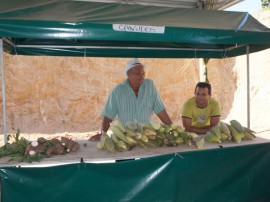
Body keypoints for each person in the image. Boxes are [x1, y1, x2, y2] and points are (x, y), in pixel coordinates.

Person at [101, 58, 172, 134]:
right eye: (138, 73)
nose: (141, 76)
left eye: (143, 73)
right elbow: (108, 116)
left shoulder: (150, 86)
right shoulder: (118, 91)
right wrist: (103, 133)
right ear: (129, 74)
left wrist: (172, 128)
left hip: (146, 136)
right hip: (126, 136)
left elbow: (160, 110)